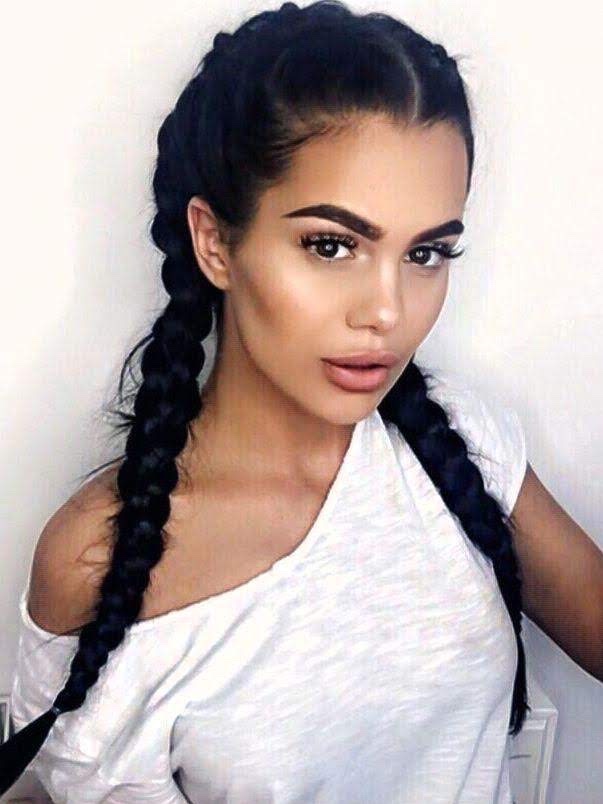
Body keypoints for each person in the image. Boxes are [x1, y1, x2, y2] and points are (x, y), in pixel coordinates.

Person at [2, 0, 603, 801]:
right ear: (215, 242)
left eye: (426, 253)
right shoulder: (98, 560)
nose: (387, 311)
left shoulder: (463, 440)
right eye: (331, 245)